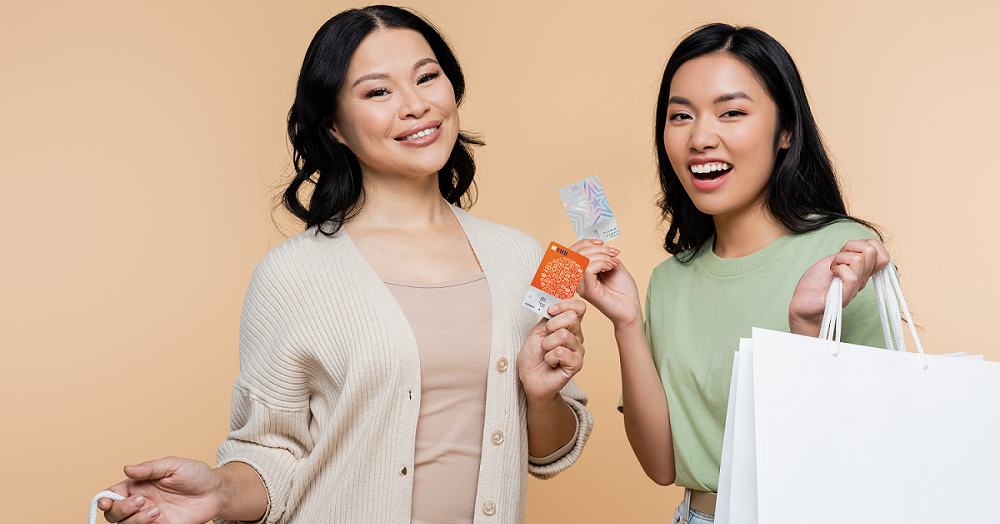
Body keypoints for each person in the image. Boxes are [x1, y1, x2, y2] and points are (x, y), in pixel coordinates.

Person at [98, 6, 592, 524]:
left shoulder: (522, 257)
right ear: (334, 126)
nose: (416, 105)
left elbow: (547, 453)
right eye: (378, 92)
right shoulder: (293, 274)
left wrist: (541, 397)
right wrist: (219, 494)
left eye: (428, 78)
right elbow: (272, 454)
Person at [573, 23, 890, 523]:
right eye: (681, 116)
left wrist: (806, 329)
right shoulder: (669, 281)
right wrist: (627, 323)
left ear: (786, 131)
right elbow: (661, 465)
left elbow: (867, 445)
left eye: (732, 113)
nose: (701, 137)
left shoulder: (843, 255)